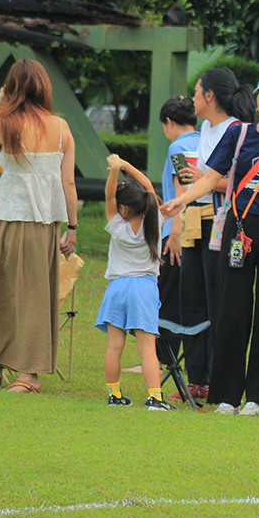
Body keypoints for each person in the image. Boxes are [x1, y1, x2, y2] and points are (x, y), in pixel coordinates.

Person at [162, 71, 259, 416]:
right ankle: (227, 395)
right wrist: (182, 200)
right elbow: (212, 177)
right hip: (238, 227)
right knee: (231, 309)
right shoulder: (238, 134)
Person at [0, 59, 78, 393]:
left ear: (12, 89)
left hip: (11, 220)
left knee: (0, 292)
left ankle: (25, 376)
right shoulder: (62, 127)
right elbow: (69, 183)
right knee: (33, 294)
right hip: (44, 224)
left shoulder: (6, 122)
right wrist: (72, 228)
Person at [173, 67, 256, 390]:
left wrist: (205, 181)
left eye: (196, 92)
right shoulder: (206, 128)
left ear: (209, 95)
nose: (191, 98)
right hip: (194, 220)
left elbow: (244, 184)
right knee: (191, 297)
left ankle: (219, 377)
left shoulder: (239, 130)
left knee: (217, 300)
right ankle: (197, 378)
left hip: (221, 225)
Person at [95, 155, 173, 410]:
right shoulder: (156, 220)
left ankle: (114, 395)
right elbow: (148, 186)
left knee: (114, 346)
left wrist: (115, 170)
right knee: (147, 348)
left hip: (117, 287)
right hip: (144, 288)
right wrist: (126, 165)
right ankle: (155, 397)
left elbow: (109, 196)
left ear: (123, 208)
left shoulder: (117, 224)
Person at [154, 96, 208, 402]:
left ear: (169, 123)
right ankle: (195, 371)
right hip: (200, 233)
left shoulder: (178, 147)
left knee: (167, 300)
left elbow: (182, 191)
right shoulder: (204, 142)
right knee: (191, 301)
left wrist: (173, 234)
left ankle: (164, 362)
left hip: (178, 233)